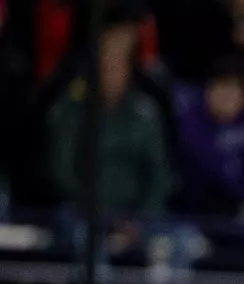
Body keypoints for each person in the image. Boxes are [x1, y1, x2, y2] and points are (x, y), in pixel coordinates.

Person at [47, 16, 169, 230]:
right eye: (105, 65)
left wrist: (140, 219)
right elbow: (62, 167)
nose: (110, 73)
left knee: (180, 242)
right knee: (78, 234)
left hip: (132, 215)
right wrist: (93, 212)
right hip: (80, 211)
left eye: (117, 66)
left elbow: (158, 174)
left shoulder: (145, 112)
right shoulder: (73, 108)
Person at [173, 58, 244, 219]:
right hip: (196, 211)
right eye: (222, 89)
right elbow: (204, 164)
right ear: (208, 92)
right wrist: (236, 193)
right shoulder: (190, 124)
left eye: (234, 90)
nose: (227, 97)